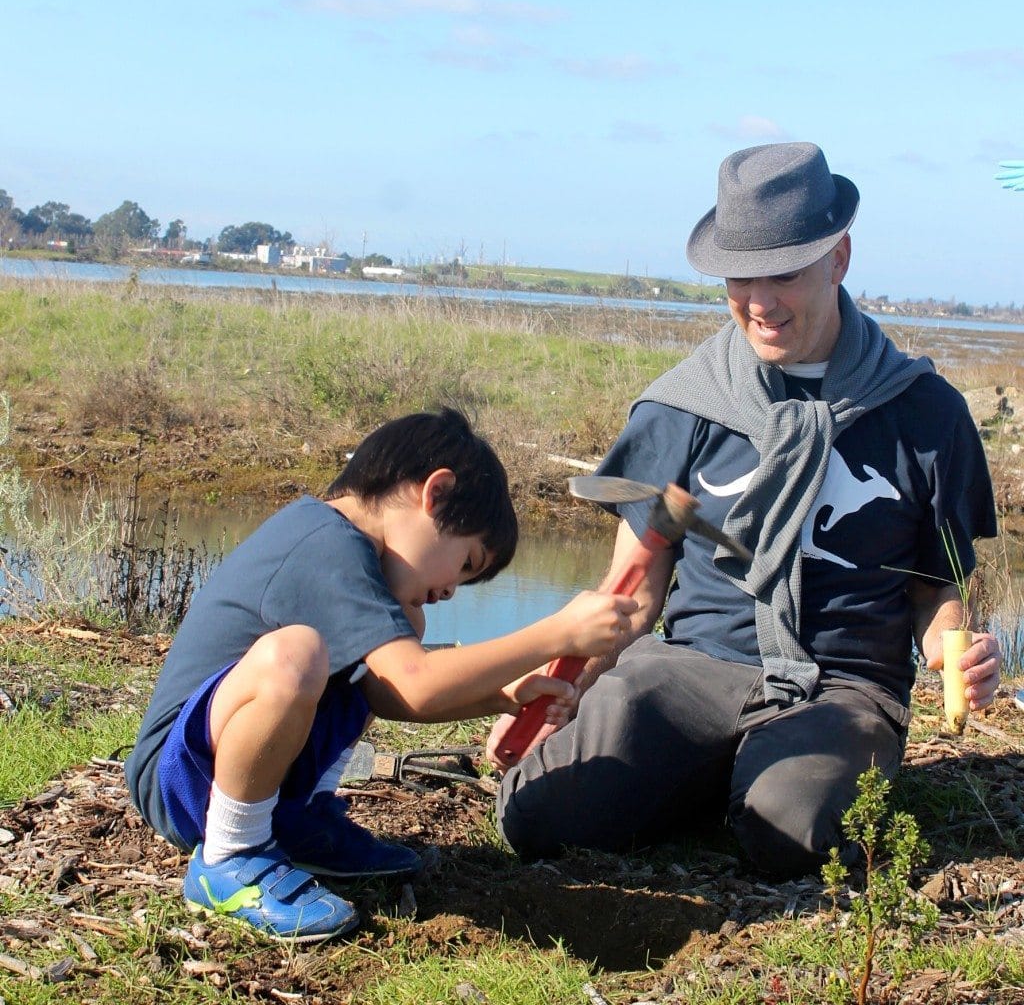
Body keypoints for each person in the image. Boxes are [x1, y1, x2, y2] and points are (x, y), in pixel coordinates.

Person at [489, 142, 1003, 877]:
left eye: (785, 272)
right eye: (741, 276)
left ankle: (750, 782)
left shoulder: (925, 415)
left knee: (789, 835)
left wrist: (953, 649)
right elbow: (629, 597)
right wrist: (555, 692)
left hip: (843, 687)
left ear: (840, 257)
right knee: (540, 815)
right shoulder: (683, 406)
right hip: (690, 671)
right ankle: (709, 769)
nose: (759, 302)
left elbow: (935, 589)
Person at [125, 408, 637, 942]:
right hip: (181, 781)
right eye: (466, 563)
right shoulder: (324, 543)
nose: (449, 592)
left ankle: (301, 823)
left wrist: (502, 695)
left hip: (232, 773)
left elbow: (393, 694)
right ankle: (231, 856)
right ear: (434, 494)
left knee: (399, 626)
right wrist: (557, 634)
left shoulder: (354, 556)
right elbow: (416, 681)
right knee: (294, 655)